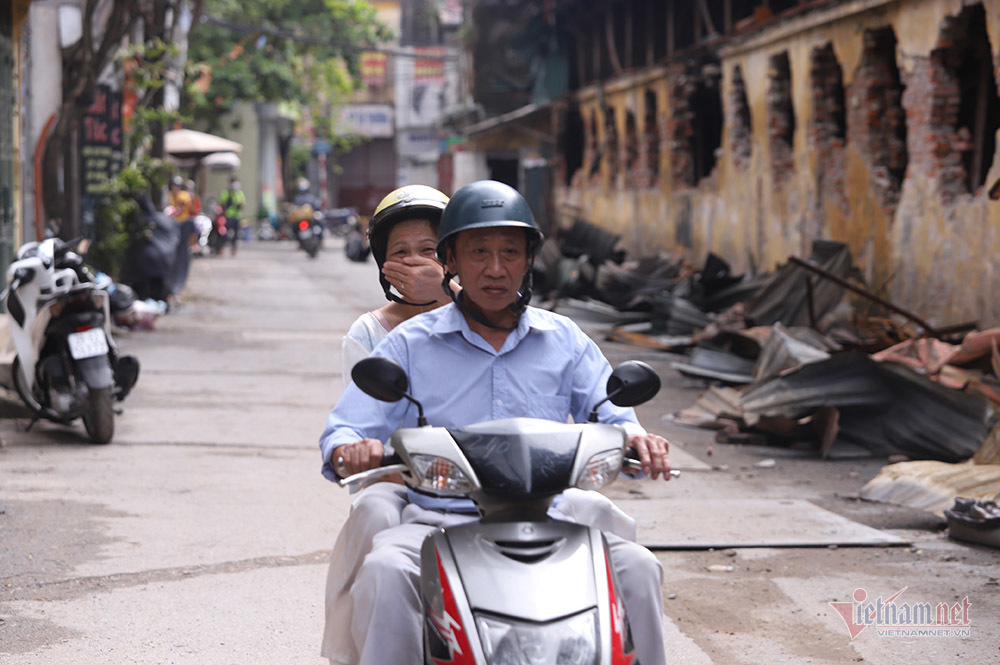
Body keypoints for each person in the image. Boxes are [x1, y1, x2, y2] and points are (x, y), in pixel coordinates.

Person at [319, 180, 671, 665]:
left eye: (510, 251)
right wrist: (348, 448)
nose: (496, 268)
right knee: (384, 570)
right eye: (478, 251)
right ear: (452, 262)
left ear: (529, 259)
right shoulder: (408, 344)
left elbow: (613, 411)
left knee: (637, 566)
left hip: (553, 518)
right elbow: (347, 426)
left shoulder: (562, 338)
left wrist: (637, 440)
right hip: (438, 522)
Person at [218, 176, 245, 256]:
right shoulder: (225, 192)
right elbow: (222, 204)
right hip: (227, 216)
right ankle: (221, 248)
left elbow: (242, 204)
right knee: (224, 233)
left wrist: (238, 204)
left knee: (236, 234)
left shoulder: (239, 193)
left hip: (237, 216)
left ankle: (234, 249)